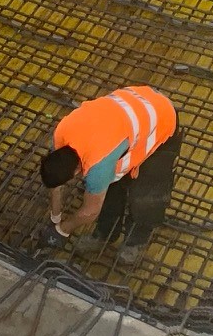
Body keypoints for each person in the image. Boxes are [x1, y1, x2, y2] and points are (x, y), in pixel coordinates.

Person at [40, 86, 179, 264]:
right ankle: (105, 234)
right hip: (129, 106)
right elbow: (55, 184)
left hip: (160, 118)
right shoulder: (61, 134)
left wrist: (63, 229)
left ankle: (135, 241)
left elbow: (90, 211)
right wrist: (55, 216)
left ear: (76, 171)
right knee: (110, 188)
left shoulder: (98, 166)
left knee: (146, 194)